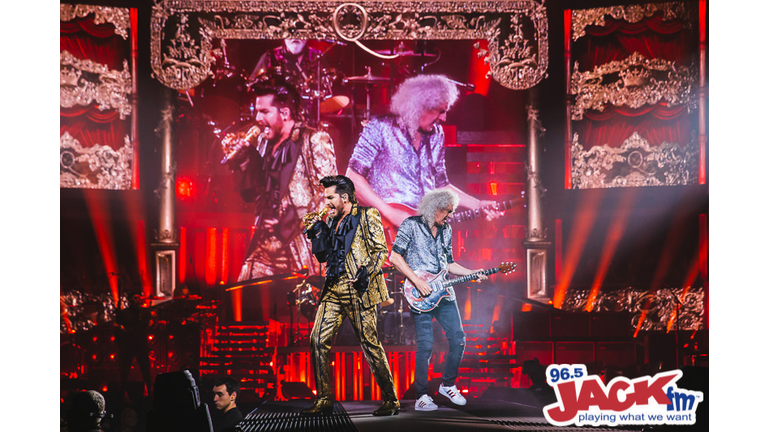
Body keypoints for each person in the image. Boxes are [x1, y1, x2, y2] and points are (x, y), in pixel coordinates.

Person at [345, 74, 503, 232]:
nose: (444, 118)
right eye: (440, 111)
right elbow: (353, 179)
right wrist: (391, 213)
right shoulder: (380, 128)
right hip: (382, 232)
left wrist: (477, 204)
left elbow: (441, 186)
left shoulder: (436, 134)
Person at [221, 75, 337, 281]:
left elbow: (331, 196)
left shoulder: (314, 139)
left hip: (304, 247)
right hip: (266, 246)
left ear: (284, 113)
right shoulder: (263, 144)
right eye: (257, 111)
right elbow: (253, 196)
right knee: (244, 293)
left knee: (299, 300)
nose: (258, 118)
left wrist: (291, 223)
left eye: (264, 111)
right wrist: (245, 162)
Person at [302, 175, 399, 416]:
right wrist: (317, 233)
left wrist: (367, 271)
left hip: (358, 288)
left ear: (344, 197)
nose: (326, 202)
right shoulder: (330, 220)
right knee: (317, 340)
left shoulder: (367, 215)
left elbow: (381, 251)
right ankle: (324, 399)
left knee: (369, 344)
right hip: (333, 288)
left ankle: (391, 400)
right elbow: (323, 257)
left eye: (330, 197)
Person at [388, 189, 488, 411]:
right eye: (448, 211)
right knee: (425, 345)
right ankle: (421, 396)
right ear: (435, 208)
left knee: (459, 339)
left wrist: (472, 272)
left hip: (444, 293)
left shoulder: (447, 230)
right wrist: (417, 281)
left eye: (452, 211)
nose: (451, 216)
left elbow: (449, 263)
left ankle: (447, 385)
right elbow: (394, 257)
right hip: (419, 293)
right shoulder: (411, 225)